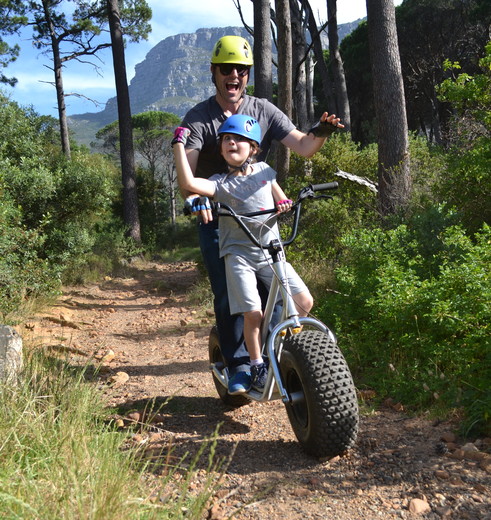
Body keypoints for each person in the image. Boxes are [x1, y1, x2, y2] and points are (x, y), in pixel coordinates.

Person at [180, 34, 342, 395]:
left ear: (248, 75)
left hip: (261, 222)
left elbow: (303, 145)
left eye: (241, 69)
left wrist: (322, 132)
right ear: (214, 73)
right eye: (226, 69)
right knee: (228, 295)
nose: (233, 75)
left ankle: (275, 350)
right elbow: (189, 179)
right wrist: (197, 198)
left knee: (281, 290)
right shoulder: (199, 119)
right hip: (218, 217)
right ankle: (240, 366)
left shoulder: (264, 110)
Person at [173, 115, 313, 392]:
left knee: (304, 301)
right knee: (253, 313)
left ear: (254, 148)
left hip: (271, 251)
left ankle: (281, 346)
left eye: (238, 139)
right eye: (226, 139)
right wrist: (179, 145)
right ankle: (256, 363)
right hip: (239, 256)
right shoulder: (219, 183)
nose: (231, 142)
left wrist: (284, 202)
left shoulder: (263, 170)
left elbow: (276, 192)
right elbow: (188, 182)